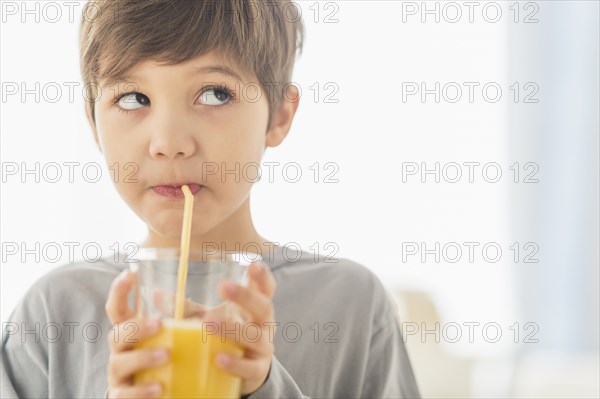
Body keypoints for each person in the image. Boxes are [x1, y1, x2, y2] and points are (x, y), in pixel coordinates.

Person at [1, 1, 421, 398]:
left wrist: (264, 387)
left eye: (215, 94)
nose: (168, 143)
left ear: (279, 116)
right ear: (93, 121)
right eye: (133, 98)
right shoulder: (53, 313)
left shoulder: (349, 303)